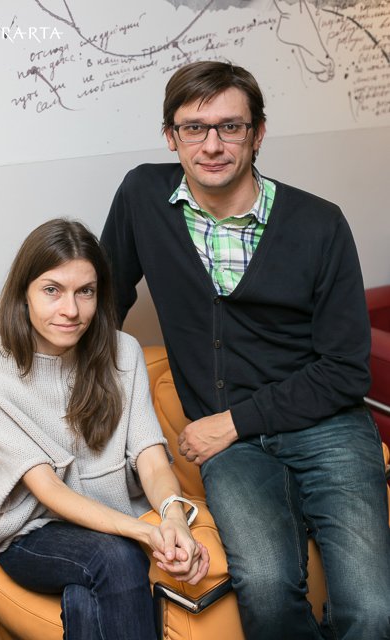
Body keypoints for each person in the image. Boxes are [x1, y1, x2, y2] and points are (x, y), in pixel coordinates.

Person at [100, 61, 390, 639]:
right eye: (194, 128)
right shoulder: (143, 196)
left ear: (257, 133)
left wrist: (231, 422)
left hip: (325, 427)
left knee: (371, 611)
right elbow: (103, 301)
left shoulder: (319, 224)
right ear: (171, 136)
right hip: (234, 448)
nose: (212, 146)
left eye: (230, 127)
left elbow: (345, 370)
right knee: (267, 589)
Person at [0, 218, 209, 640]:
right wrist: (145, 533)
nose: (71, 310)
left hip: (112, 529)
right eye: (52, 290)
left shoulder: (123, 352)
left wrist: (175, 517)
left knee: (88, 596)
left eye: (85, 292)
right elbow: (48, 490)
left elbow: (151, 459)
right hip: (33, 536)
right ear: (24, 292)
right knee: (117, 558)